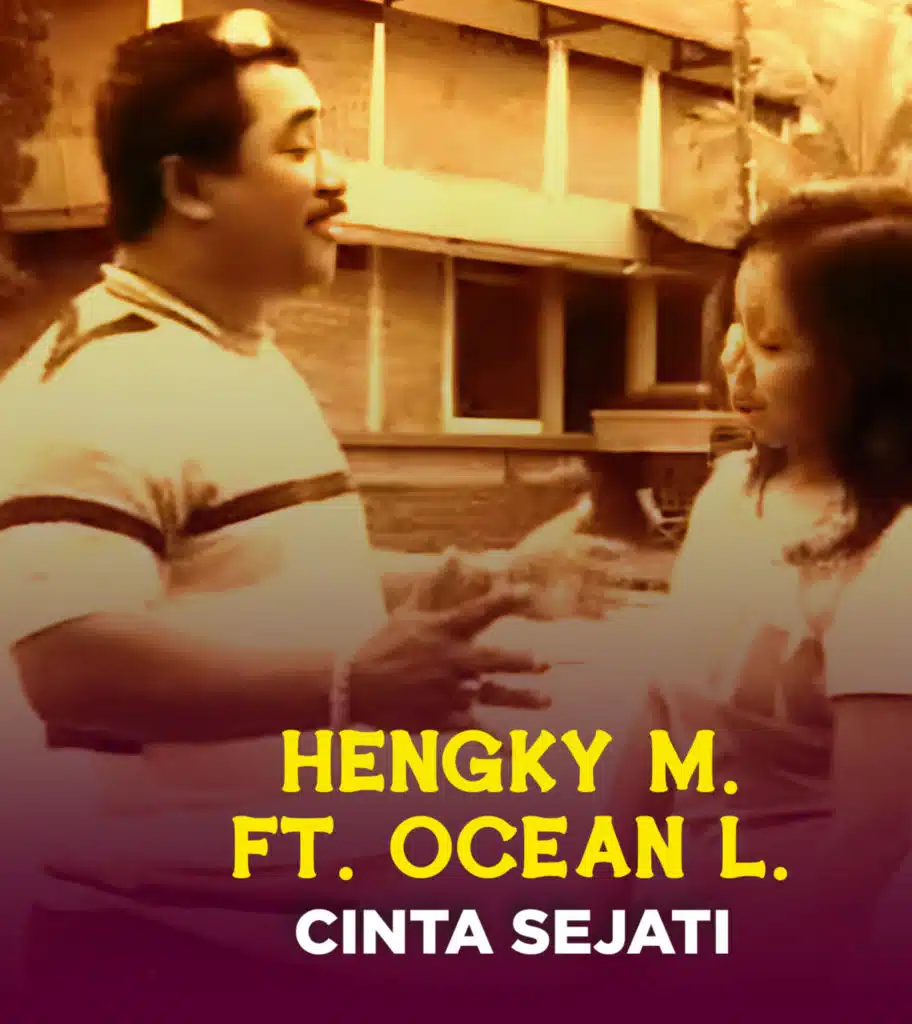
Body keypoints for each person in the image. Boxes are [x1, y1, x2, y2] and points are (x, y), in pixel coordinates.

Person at [0, 10, 623, 1016]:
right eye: (298, 148)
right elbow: (71, 664)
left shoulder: (233, 354)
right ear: (188, 186)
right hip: (163, 951)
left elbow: (251, 572)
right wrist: (350, 684)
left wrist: (478, 577)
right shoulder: (99, 384)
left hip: (277, 936)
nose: (336, 181)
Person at [608, 180, 912, 991]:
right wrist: (600, 910)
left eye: (771, 342)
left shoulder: (911, 559)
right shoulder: (729, 494)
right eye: (735, 324)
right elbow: (659, 721)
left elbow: (870, 845)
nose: (733, 360)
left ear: (874, 370)